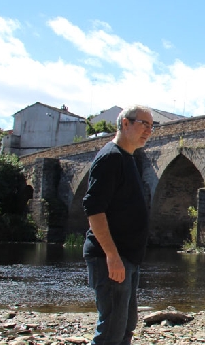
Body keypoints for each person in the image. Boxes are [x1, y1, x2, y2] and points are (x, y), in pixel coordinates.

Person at [82, 105, 154, 345]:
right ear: (125, 123)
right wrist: (112, 255)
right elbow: (94, 209)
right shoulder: (110, 157)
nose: (149, 131)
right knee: (111, 330)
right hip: (112, 258)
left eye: (151, 126)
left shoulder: (127, 158)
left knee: (125, 326)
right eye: (144, 124)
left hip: (127, 258)